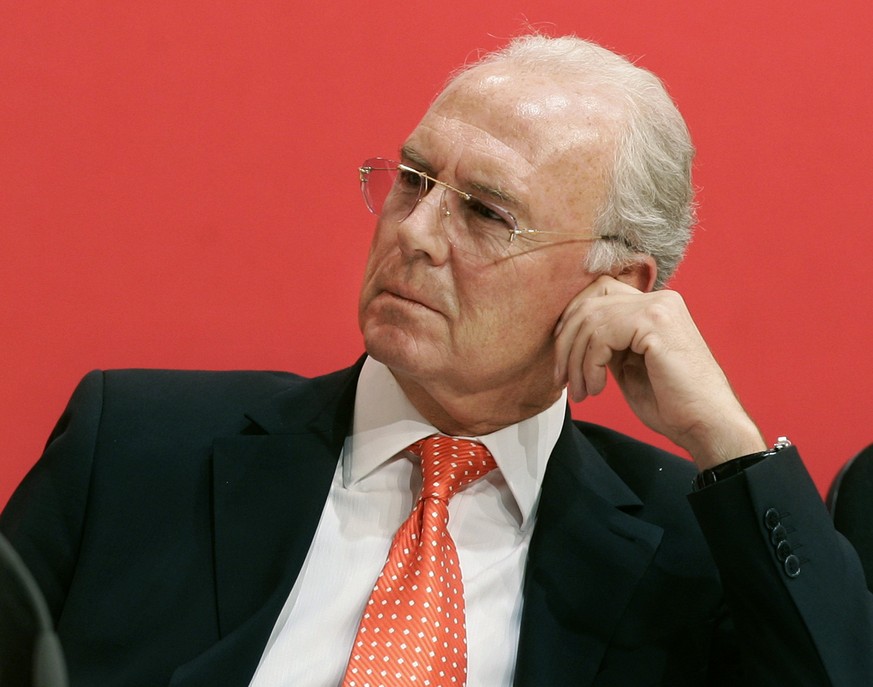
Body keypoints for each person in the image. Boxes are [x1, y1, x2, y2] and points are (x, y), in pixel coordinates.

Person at [1, 33, 871, 687]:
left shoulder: (693, 546)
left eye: (486, 213)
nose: (413, 233)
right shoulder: (136, 450)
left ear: (617, 283)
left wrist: (726, 442)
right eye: (414, 180)